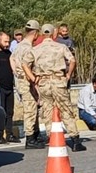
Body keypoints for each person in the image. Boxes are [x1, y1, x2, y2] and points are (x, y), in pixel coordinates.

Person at [22, 23, 85, 151]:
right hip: (58, 80)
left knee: (47, 111)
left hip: (43, 82)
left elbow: (24, 64)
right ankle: (75, 140)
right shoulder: (61, 47)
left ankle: (53, 138)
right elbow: (72, 60)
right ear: (52, 34)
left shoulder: (35, 49)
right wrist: (68, 75)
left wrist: (34, 79)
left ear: (42, 34)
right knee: (66, 109)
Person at [13, 20, 45, 148]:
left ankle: (35, 135)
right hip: (27, 81)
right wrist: (33, 81)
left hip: (21, 79)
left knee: (33, 109)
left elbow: (13, 60)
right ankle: (30, 138)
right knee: (30, 109)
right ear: (36, 33)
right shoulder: (28, 48)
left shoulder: (19, 46)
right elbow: (27, 66)